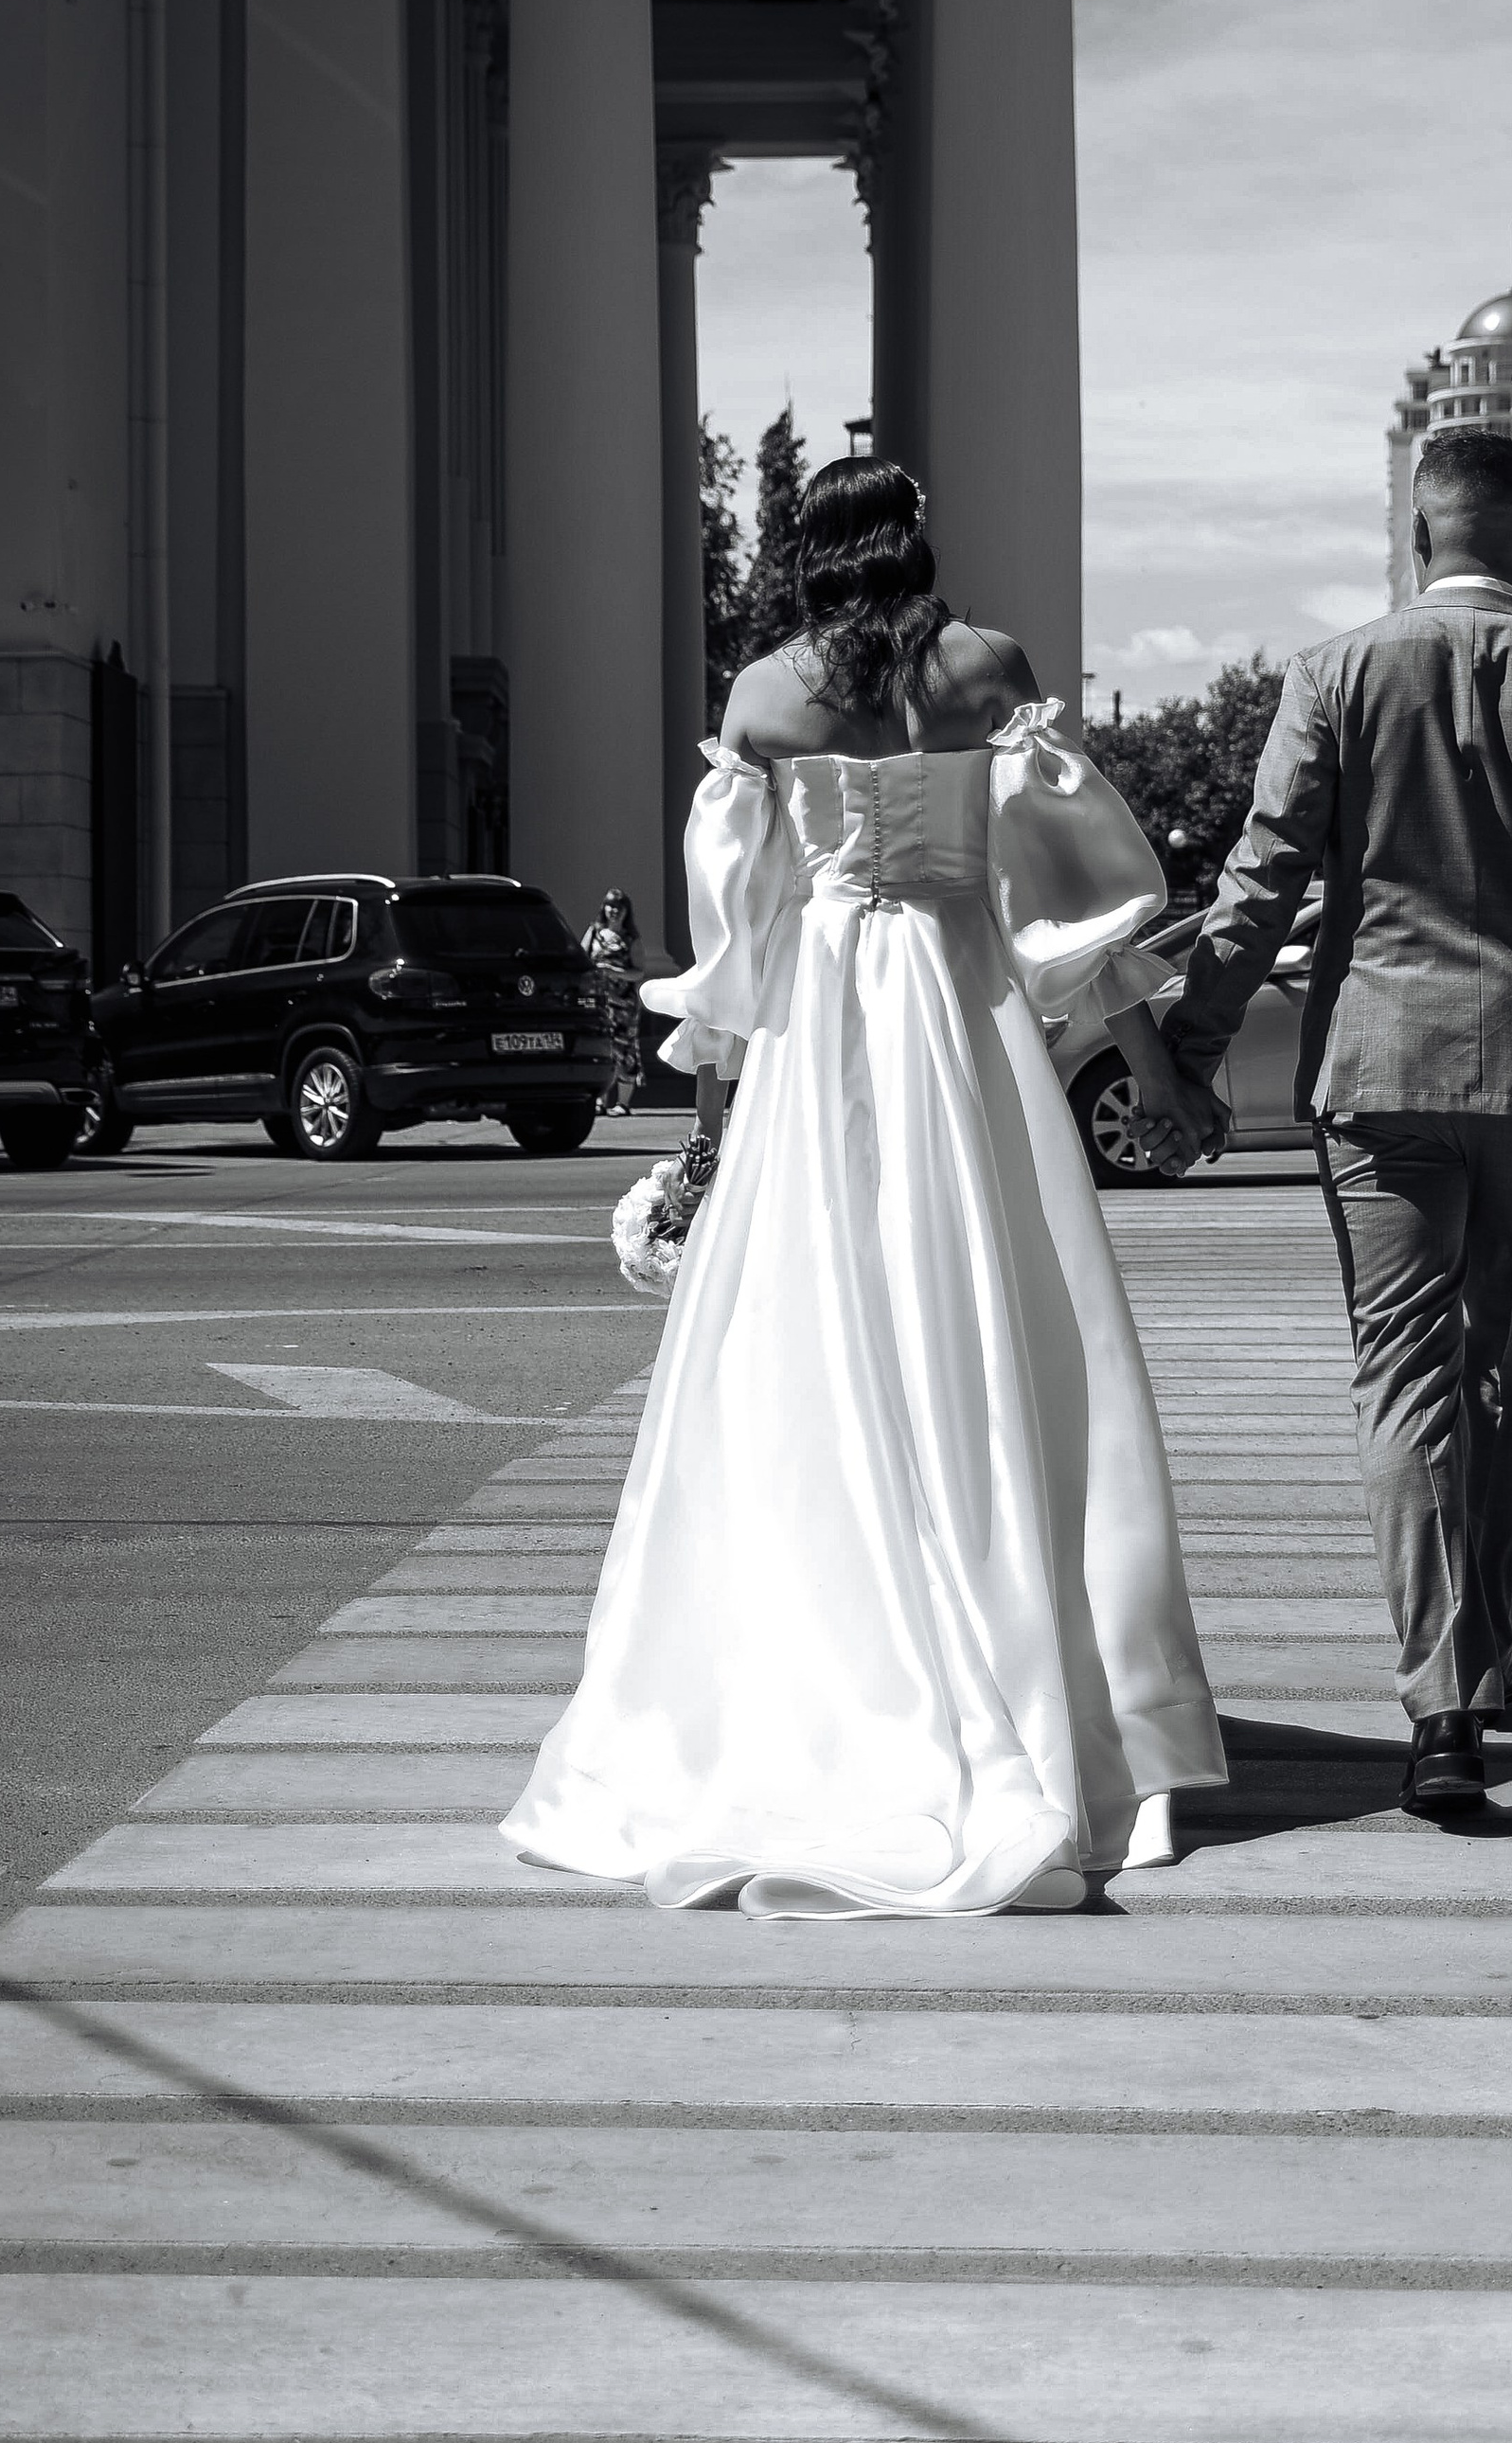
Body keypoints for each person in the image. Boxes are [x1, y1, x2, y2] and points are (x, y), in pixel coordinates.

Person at [504, 456, 1226, 1917]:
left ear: (804, 552)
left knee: (806, 1353)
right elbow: (1063, 900)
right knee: (1003, 1338)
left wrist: (710, 1130)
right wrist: (1146, 1062)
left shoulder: (762, 697)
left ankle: (834, 1679)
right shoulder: (989, 672)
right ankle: (1040, 1676)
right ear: (913, 541)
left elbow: (743, 946)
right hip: (965, 1022)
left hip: (828, 1031)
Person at [1161, 425, 1512, 1816]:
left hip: (1380, 1078)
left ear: (1418, 530)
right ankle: (1493, 1646)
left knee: (1406, 1379)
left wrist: (1190, 1046)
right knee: (1511, 1367)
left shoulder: (1336, 675)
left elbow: (1261, 878)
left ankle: (1442, 1702)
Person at [580, 889, 643, 1113]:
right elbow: (582, 959)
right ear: (604, 908)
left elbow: (638, 972)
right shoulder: (595, 932)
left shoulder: (630, 939)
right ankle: (600, 1101)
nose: (614, 911)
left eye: (619, 907)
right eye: (610, 906)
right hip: (598, 1002)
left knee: (624, 1049)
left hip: (624, 1005)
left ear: (626, 912)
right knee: (602, 1048)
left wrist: (614, 971)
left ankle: (623, 1103)